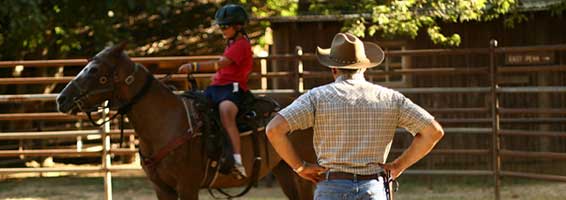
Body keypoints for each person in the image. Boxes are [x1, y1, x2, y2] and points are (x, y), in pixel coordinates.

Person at [265, 33, 444, 199]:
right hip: (373, 187)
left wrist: (300, 167)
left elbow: (274, 129)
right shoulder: (390, 98)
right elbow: (433, 132)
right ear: (364, 68)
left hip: (331, 186)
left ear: (333, 69)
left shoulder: (316, 97)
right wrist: (398, 166)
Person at [178, 4, 252, 177]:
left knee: (226, 111)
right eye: (221, 26)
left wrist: (194, 66)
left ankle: (237, 160)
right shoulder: (232, 43)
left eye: (225, 26)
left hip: (232, 88)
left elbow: (221, 64)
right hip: (216, 87)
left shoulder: (241, 45)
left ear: (238, 26)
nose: (222, 29)